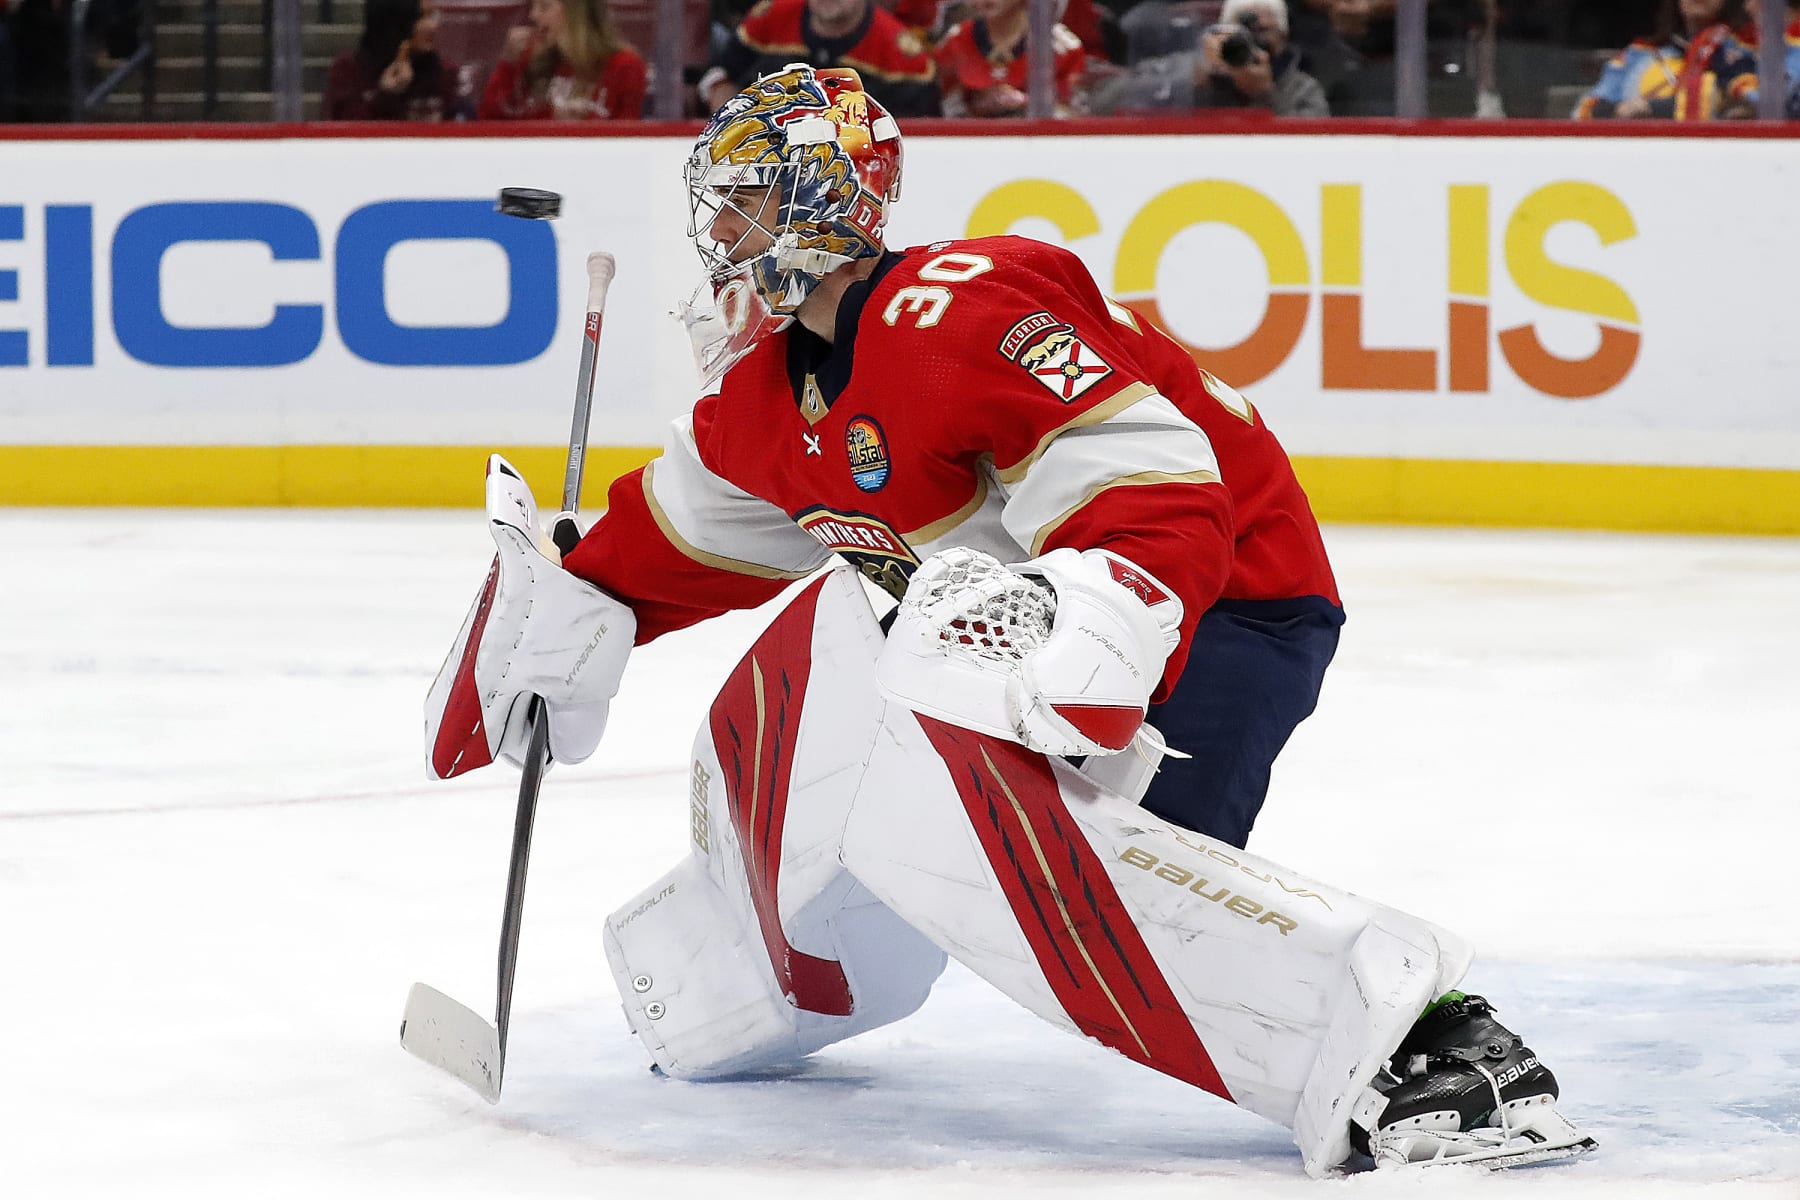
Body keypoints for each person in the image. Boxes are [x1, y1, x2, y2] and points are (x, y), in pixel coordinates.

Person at [421, 64, 1597, 1174]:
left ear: (824, 201)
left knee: (1032, 862)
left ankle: (1423, 1045)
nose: (717, 235)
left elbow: (1155, 485)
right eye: (713, 206)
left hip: (1226, 605)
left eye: (741, 203)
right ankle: (742, 970)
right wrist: (571, 609)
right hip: (1029, 626)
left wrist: (1105, 617)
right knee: (855, 626)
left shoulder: (963, 310)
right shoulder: (765, 394)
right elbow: (682, 538)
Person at [699, 0, 939, 115]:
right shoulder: (769, 19)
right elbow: (720, 78)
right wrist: (735, 122)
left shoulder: (904, 58)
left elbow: (913, 142)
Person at [1094, 0, 1329, 114]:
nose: (1251, 47)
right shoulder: (1187, 67)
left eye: (1264, 33)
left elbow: (1310, 154)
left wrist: (1264, 96)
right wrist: (1187, 80)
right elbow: (1101, 103)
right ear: (1219, 34)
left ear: (1284, 37)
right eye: (1241, 35)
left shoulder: (1302, 89)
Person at [1574, 0, 1758, 119]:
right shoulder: (1638, 56)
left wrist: (1651, 109)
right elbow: (1584, 112)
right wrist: (1618, 112)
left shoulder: (1747, 53)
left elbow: (1757, 108)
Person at [478, 0, 646, 119]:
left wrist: (584, 128)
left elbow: (628, 142)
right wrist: (508, 64)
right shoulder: (530, 54)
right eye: (533, 6)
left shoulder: (625, 65)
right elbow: (489, 121)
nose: (533, 15)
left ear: (576, 14)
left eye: (544, 6)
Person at [934, 0, 1087, 115]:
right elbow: (939, 111)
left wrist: (1025, 103)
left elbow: (1074, 115)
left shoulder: (1062, 48)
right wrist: (975, 104)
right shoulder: (954, 42)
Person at [324, 0, 464, 121]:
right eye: (420, 17)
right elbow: (340, 138)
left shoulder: (446, 73)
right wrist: (384, 96)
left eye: (432, 15)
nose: (433, 26)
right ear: (393, 22)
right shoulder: (348, 71)